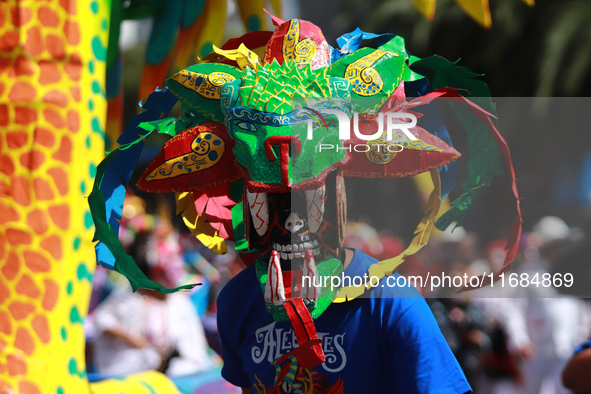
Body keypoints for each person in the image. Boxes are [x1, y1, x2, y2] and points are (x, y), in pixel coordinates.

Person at [218, 247, 472, 393]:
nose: (289, 216)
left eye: (308, 192)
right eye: (267, 197)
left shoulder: (394, 302)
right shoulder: (237, 300)